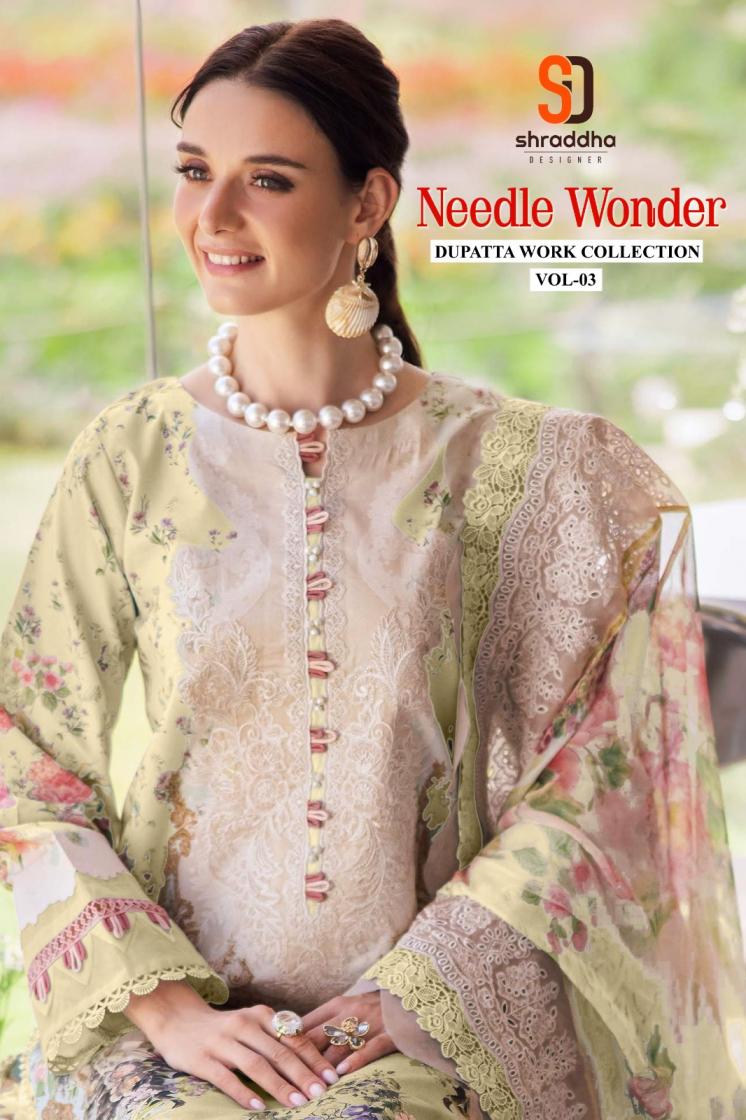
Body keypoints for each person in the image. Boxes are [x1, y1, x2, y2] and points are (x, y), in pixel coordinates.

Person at [1, 17, 745, 1120]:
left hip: (432, 1022)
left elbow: (602, 770)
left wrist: (417, 995)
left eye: (267, 179)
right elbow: (25, 753)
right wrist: (167, 1011)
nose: (212, 215)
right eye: (196, 172)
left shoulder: (517, 469)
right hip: (181, 1026)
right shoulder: (129, 457)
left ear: (367, 204)